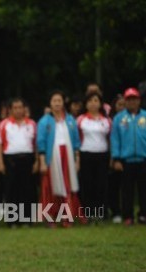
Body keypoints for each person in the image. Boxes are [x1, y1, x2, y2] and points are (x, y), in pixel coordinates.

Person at [37, 90, 85, 227]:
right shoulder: (44, 121)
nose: (57, 103)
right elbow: (41, 143)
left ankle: (67, 216)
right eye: (54, 101)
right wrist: (42, 162)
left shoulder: (70, 120)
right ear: (50, 104)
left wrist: (77, 160)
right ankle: (49, 216)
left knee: (68, 185)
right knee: (50, 186)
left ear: (63, 103)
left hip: (67, 156)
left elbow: (76, 142)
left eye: (59, 100)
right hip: (51, 158)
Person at [0, 97, 38, 227]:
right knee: (11, 190)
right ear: (10, 110)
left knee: (27, 190)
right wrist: (0, 162)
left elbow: (36, 144)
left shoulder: (31, 124)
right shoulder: (4, 124)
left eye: (20, 107)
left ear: (24, 109)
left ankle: (27, 220)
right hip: (10, 160)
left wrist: (36, 161)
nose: (18, 110)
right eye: (15, 108)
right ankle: (12, 220)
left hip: (28, 159)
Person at [111, 87, 146, 226]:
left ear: (139, 101)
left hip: (143, 159)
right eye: (129, 99)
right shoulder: (119, 119)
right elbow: (115, 139)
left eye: (134, 99)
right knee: (127, 190)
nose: (132, 102)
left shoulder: (144, 116)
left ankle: (143, 214)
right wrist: (117, 159)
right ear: (125, 101)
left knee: (144, 189)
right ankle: (128, 215)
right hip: (126, 160)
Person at [77, 92, 111, 223]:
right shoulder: (81, 119)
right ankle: (89, 214)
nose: (93, 103)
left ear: (100, 103)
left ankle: (100, 214)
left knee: (101, 185)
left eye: (96, 100)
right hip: (86, 154)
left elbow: (109, 139)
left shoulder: (106, 120)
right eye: (90, 101)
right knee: (88, 185)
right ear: (86, 104)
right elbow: (77, 139)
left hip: (102, 155)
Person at [107, 94, 125, 223]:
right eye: (120, 105)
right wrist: (113, 158)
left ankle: (127, 212)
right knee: (114, 186)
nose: (122, 107)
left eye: (124, 105)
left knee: (127, 187)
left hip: (130, 158)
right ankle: (115, 212)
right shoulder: (111, 121)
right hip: (115, 157)